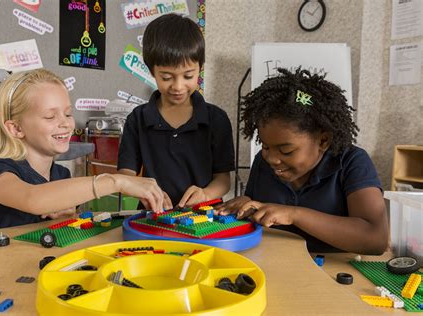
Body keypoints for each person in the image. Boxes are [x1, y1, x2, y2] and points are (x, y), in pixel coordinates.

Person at [0, 69, 163, 231]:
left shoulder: (62, 175)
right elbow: (33, 199)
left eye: (67, 114)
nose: (65, 124)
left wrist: (67, 216)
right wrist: (116, 181)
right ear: (16, 128)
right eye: (50, 117)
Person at [217, 68, 388, 254]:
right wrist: (247, 205)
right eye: (265, 146)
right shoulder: (263, 162)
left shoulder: (352, 162)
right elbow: (259, 212)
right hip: (275, 265)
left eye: (286, 150)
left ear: (323, 140)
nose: (272, 159)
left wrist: (294, 215)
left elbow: (375, 239)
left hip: (333, 274)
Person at [117, 13, 234, 210]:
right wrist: (144, 191)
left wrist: (205, 194)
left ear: (200, 69)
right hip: (154, 217)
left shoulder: (216, 119)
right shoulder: (138, 119)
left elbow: (223, 180)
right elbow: (125, 175)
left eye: (188, 76)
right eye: (167, 77)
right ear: (152, 71)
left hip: (203, 220)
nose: (178, 86)